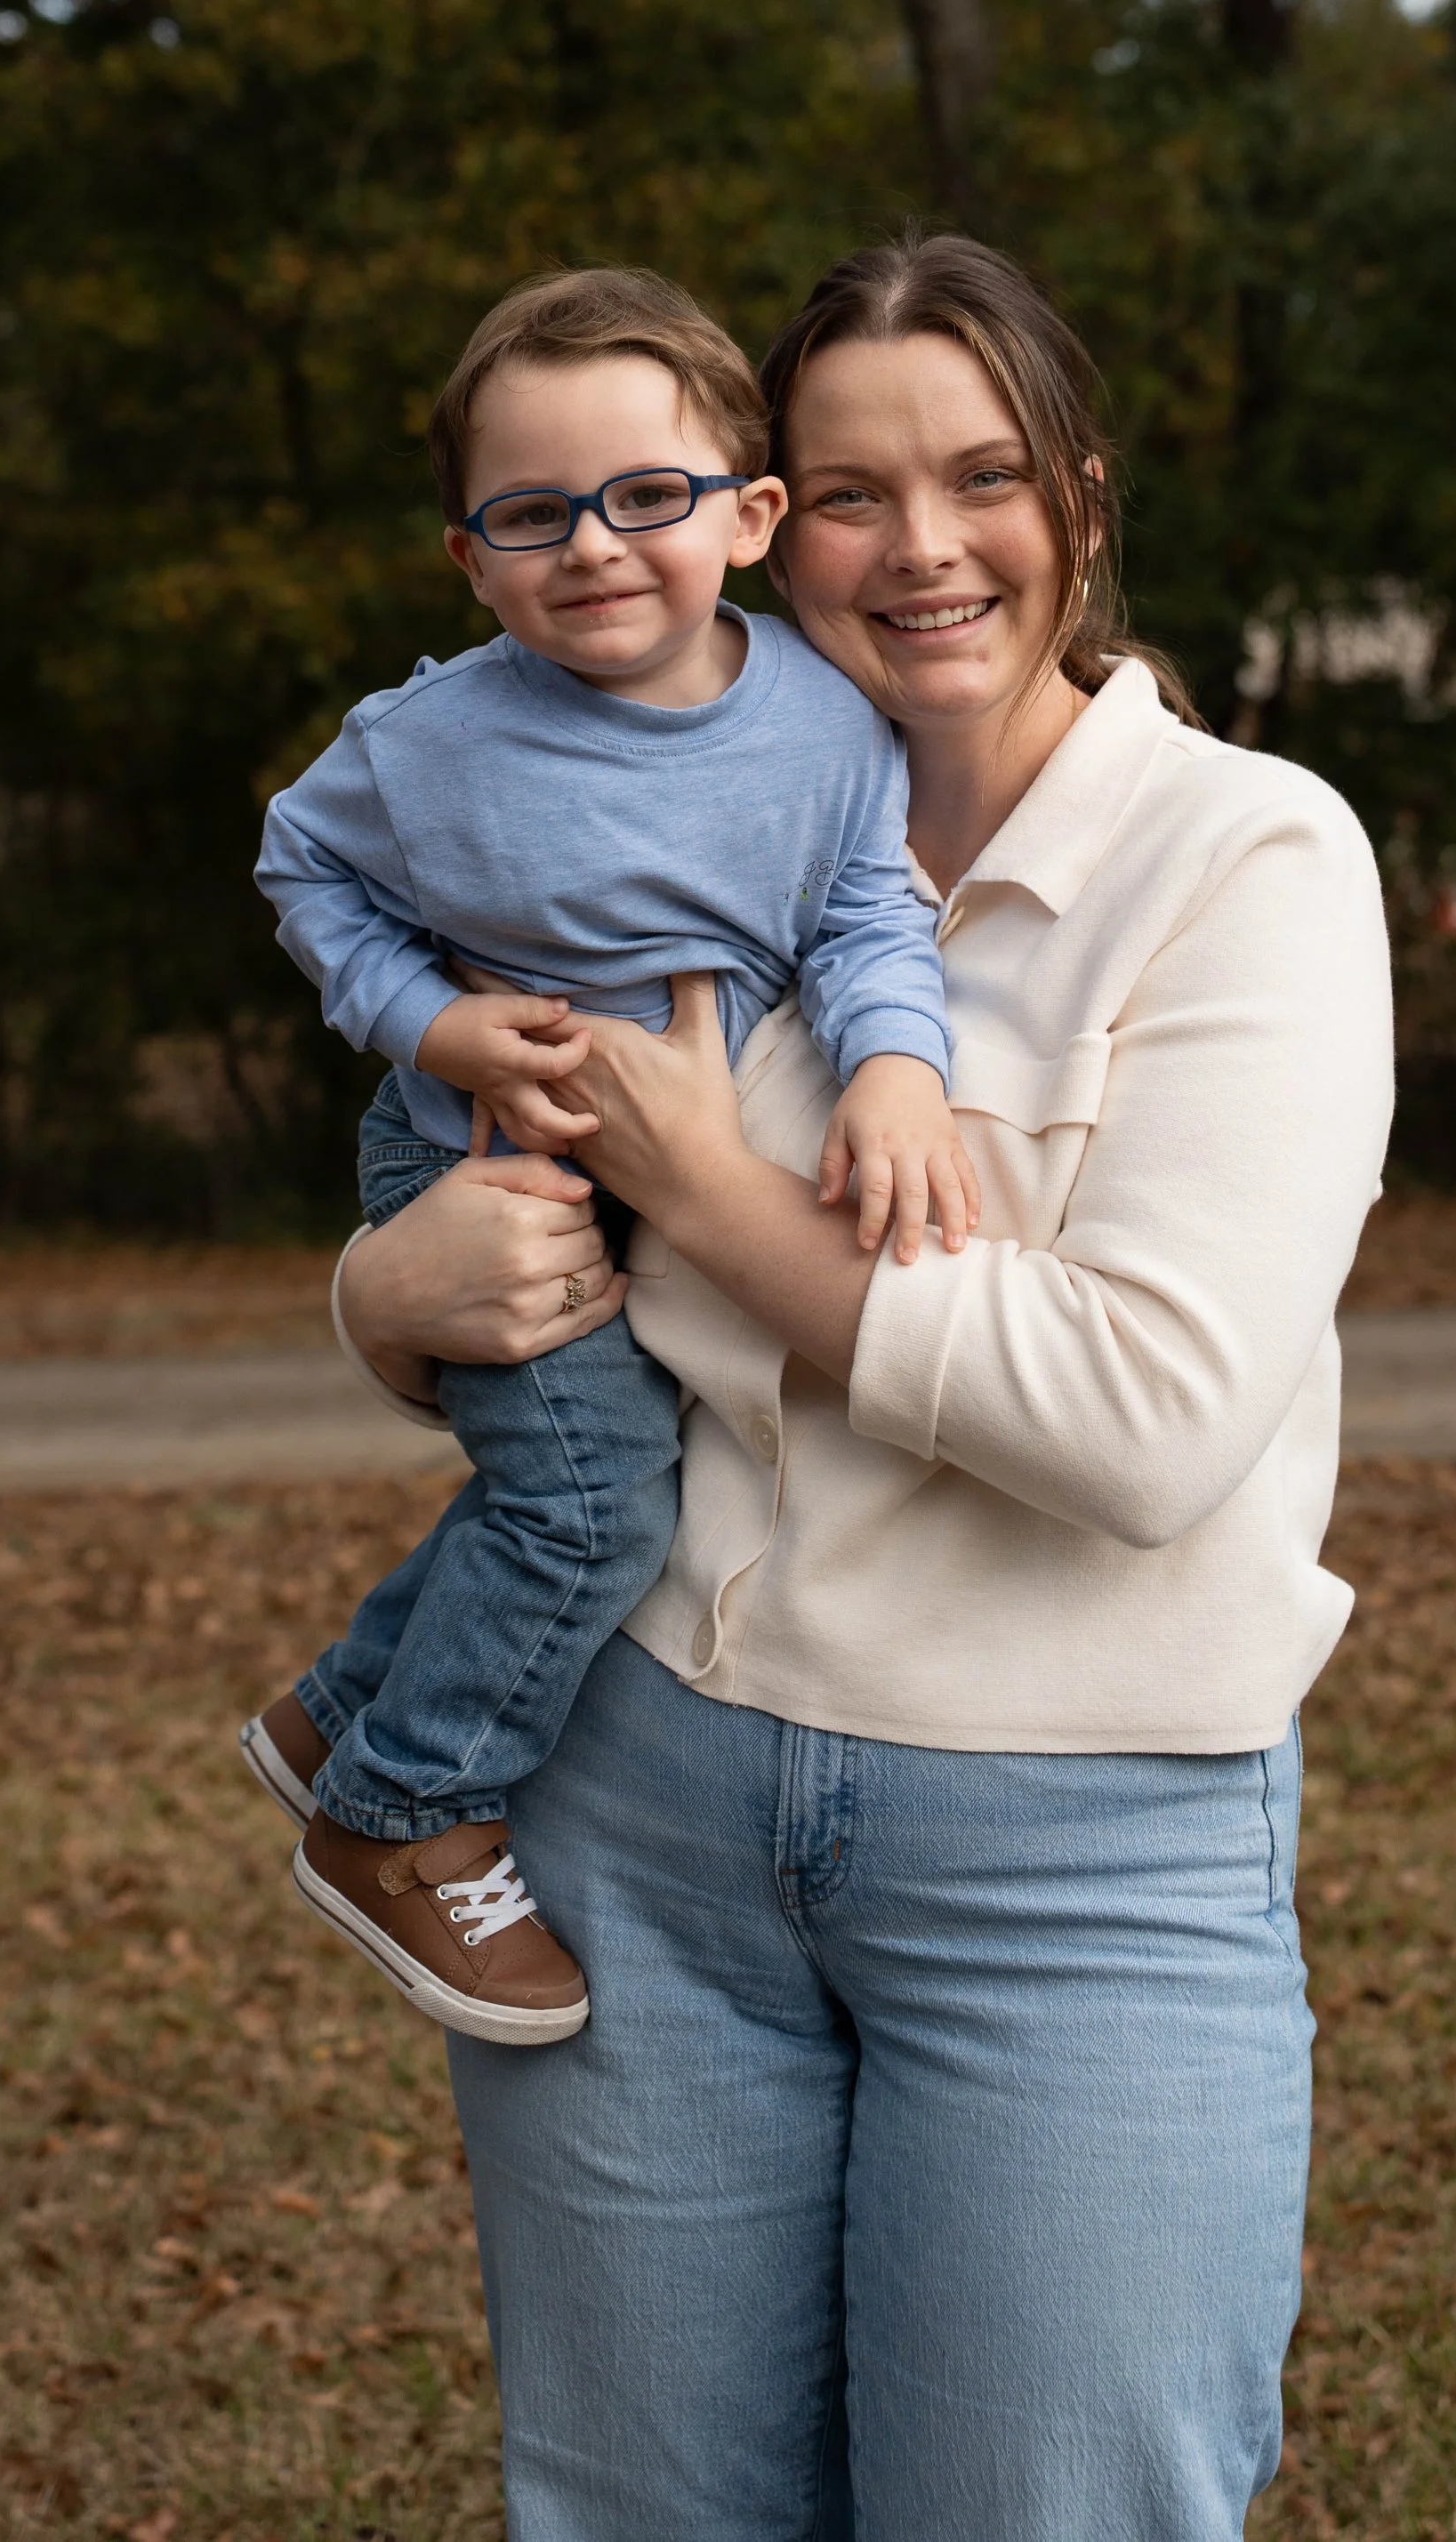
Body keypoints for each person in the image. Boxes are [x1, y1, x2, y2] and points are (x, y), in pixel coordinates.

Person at [334, 231, 1396, 2542]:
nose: (920, 548)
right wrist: (383, 1294)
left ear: (1080, 504)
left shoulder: (1247, 858)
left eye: (983, 476)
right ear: (750, 518)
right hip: (640, 1799)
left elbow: (1140, 1419)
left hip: (1081, 1853)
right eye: (845, 490)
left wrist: (712, 1191)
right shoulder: (675, 808)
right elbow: (531, 1293)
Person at [241, 265, 974, 2047]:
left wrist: (896, 1068)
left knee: (576, 1489)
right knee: (591, 1502)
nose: (593, 546)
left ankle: (339, 1706)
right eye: (531, 514)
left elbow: (870, 910)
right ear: (468, 556)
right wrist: (427, 1022)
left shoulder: (820, 722)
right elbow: (299, 868)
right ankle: (400, 1812)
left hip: (667, 1182)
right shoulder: (428, 742)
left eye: (645, 496)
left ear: (747, 509)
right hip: (479, 1171)